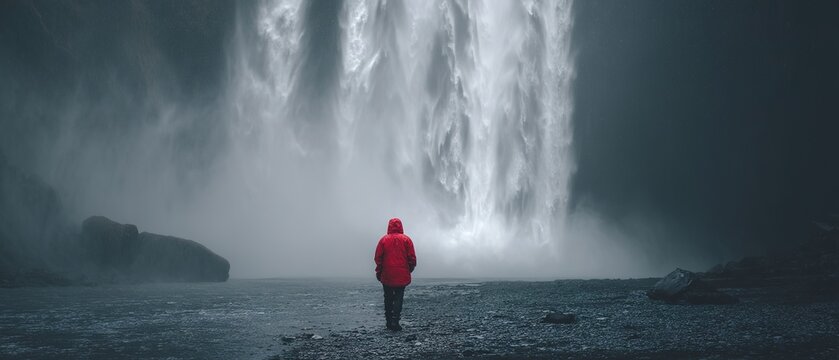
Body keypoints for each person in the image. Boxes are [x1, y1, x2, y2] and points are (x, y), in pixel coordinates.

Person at [374, 218, 416, 331]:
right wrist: (409, 269)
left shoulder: (383, 240)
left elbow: (378, 258)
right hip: (402, 274)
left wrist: (379, 271)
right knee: (398, 298)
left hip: (387, 274)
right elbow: (412, 258)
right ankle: (395, 322)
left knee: (388, 297)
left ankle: (388, 322)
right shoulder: (406, 240)